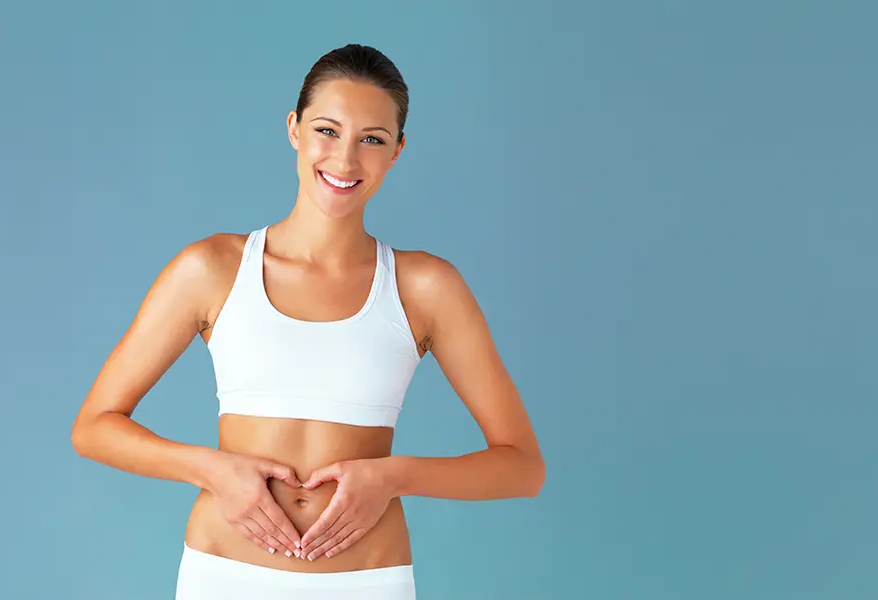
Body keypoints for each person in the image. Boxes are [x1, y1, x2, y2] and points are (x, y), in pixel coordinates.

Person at [70, 43, 546, 600]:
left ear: (397, 152)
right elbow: (95, 426)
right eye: (327, 130)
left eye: (372, 139)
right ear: (294, 129)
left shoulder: (425, 287)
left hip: (367, 579)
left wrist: (392, 476)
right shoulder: (212, 270)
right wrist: (212, 469)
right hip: (224, 575)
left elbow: (522, 467)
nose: (345, 161)